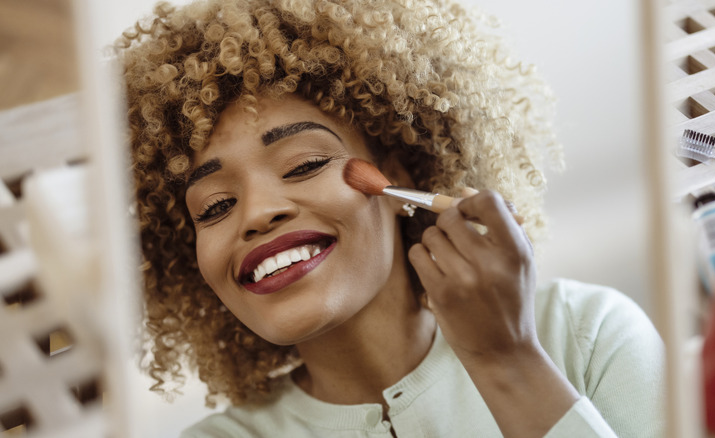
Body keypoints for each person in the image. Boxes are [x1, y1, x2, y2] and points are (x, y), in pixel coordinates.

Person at [116, 0, 665, 436]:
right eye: (214, 206)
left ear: (398, 177)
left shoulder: (584, 335)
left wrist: (508, 362)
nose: (257, 213)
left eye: (304, 164)